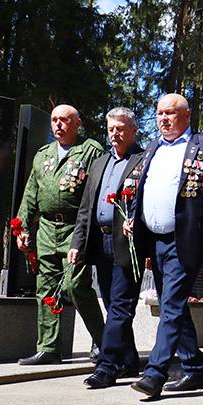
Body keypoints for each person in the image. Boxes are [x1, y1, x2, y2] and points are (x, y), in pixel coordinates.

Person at [121, 94, 203, 399]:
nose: (163, 119)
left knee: (170, 305)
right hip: (153, 239)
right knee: (175, 306)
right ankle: (195, 367)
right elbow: (142, 189)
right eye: (159, 113)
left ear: (186, 115)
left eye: (170, 113)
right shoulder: (152, 149)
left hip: (185, 240)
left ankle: (155, 372)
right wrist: (134, 218)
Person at [15, 105, 106, 365]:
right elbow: (30, 193)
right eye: (54, 120)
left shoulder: (90, 151)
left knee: (75, 286)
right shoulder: (43, 155)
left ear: (77, 123)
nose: (58, 125)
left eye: (64, 120)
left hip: (75, 229)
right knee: (46, 289)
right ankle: (48, 347)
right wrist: (21, 228)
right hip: (46, 231)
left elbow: (96, 192)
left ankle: (101, 341)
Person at [68, 107, 146, 387]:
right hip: (99, 242)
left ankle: (107, 365)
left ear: (133, 131)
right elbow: (85, 208)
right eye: (111, 128)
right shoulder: (99, 163)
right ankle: (129, 360)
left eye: (121, 128)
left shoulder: (144, 160)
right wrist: (77, 244)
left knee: (121, 306)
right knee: (113, 303)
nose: (114, 133)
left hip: (128, 242)